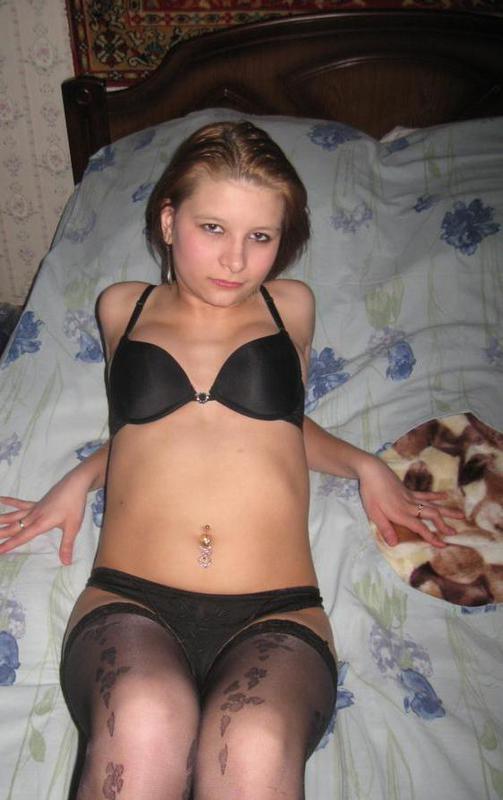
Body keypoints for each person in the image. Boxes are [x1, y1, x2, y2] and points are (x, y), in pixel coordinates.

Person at [0, 121, 463, 800]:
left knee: (253, 743)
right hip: (130, 598)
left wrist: (365, 465)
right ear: (169, 221)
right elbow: (144, 429)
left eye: (260, 237)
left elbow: (277, 425)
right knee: (142, 722)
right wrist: (80, 478)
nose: (236, 260)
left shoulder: (290, 306)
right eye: (212, 228)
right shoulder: (123, 307)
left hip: (277, 612)